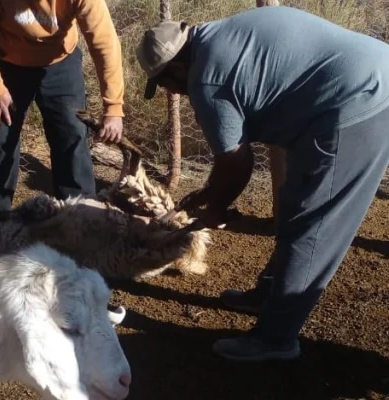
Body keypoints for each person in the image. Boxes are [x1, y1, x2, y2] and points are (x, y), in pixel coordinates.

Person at [136, 5, 389, 362]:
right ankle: (270, 293)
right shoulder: (217, 33)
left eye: (167, 84)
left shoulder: (208, 79)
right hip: (360, 77)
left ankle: (276, 338)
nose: (174, 93)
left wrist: (216, 210)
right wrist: (210, 193)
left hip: (358, 102)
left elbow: (237, 162)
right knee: (296, 204)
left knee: (313, 226)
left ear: (177, 67)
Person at [0, 0, 125, 226]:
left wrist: (114, 107)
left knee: (72, 137)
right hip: (8, 63)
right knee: (0, 139)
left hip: (60, 63)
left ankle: (81, 223)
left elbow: (104, 42)